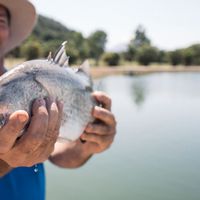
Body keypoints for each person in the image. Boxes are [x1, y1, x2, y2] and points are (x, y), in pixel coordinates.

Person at [0, 1, 116, 200]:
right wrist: (6, 161)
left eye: (0, 21)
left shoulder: (20, 82)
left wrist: (88, 144)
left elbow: (59, 154)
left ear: (9, 31)